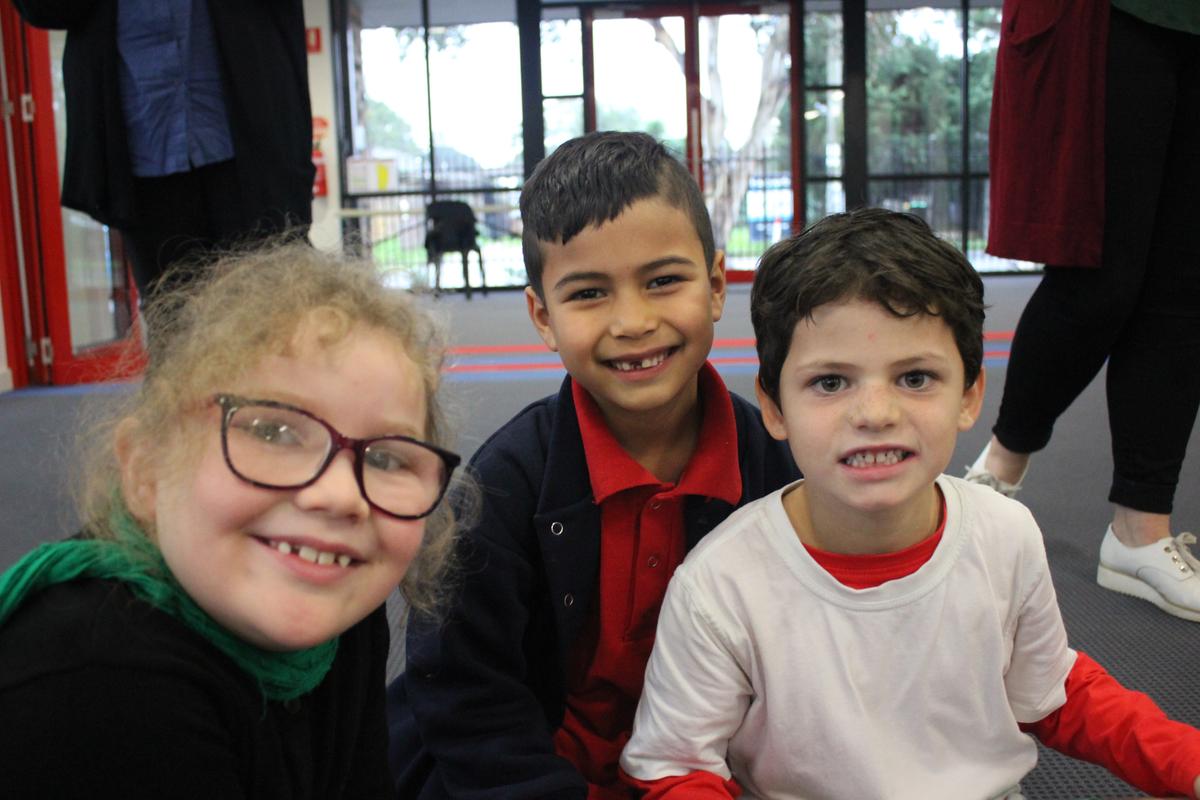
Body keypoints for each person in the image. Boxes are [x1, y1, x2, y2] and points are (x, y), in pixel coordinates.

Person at [619, 209, 1200, 799]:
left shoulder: (1006, 535)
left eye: (915, 378)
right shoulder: (720, 585)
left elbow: (1054, 693)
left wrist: (1186, 761)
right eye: (830, 382)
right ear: (774, 408)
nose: (875, 414)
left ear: (969, 396)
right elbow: (676, 767)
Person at [385, 131, 800, 798]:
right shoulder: (498, 491)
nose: (632, 321)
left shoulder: (781, 470)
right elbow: (467, 700)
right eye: (588, 294)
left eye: (663, 281)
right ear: (542, 317)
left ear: (717, 286)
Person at [0, 241, 473, 797]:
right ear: (146, 469)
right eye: (273, 432)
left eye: (388, 459)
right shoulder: (97, 682)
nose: (342, 496)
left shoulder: (336, 602)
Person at [966, 1, 1200, 621]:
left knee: (1183, 291)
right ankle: (998, 471)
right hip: (1109, 18)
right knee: (1096, 275)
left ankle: (1139, 532)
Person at [11, 0, 314, 299]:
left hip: (253, 139)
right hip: (142, 145)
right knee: (173, 316)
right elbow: (43, 9)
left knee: (279, 307)